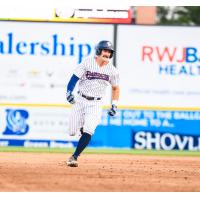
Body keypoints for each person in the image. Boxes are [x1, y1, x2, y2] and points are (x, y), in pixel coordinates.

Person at [65, 40, 120, 167]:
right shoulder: (87, 63)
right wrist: (69, 92)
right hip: (80, 99)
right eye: (105, 50)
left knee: (89, 129)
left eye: (109, 52)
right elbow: (74, 79)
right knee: (72, 132)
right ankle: (81, 129)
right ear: (98, 50)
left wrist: (114, 104)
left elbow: (116, 88)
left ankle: (74, 157)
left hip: (96, 103)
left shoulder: (112, 70)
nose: (107, 53)